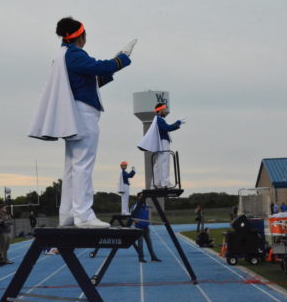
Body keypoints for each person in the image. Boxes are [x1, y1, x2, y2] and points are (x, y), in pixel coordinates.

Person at [28, 16, 135, 228]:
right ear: (81, 36)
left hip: (74, 114)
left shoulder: (63, 55)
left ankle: (68, 215)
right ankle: (84, 215)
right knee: (83, 166)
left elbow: (88, 80)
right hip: (83, 115)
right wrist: (121, 59)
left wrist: (112, 66)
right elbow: (100, 68)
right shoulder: (75, 54)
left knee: (72, 168)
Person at [137, 103, 183, 188]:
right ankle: (165, 183)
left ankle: (155, 183)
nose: (165, 111)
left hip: (161, 142)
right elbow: (167, 128)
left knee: (158, 164)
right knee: (164, 162)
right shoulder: (159, 119)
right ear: (160, 110)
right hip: (163, 142)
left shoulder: (158, 119)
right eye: (164, 109)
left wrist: (177, 125)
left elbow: (167, 128)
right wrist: (178, 122)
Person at [131, 193, 161, 263]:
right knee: (140, 243)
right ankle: (141, 258)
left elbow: (148, 214)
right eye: (141, 196)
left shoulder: (147, 205)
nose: (143, 198)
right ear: (138, 197)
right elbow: (132, 216)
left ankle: (153, 257)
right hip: (139, 228)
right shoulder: (135, 206)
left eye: (143, 196)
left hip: (146, 227)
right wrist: (136, 221)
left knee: (149, 243)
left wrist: (148, 221)